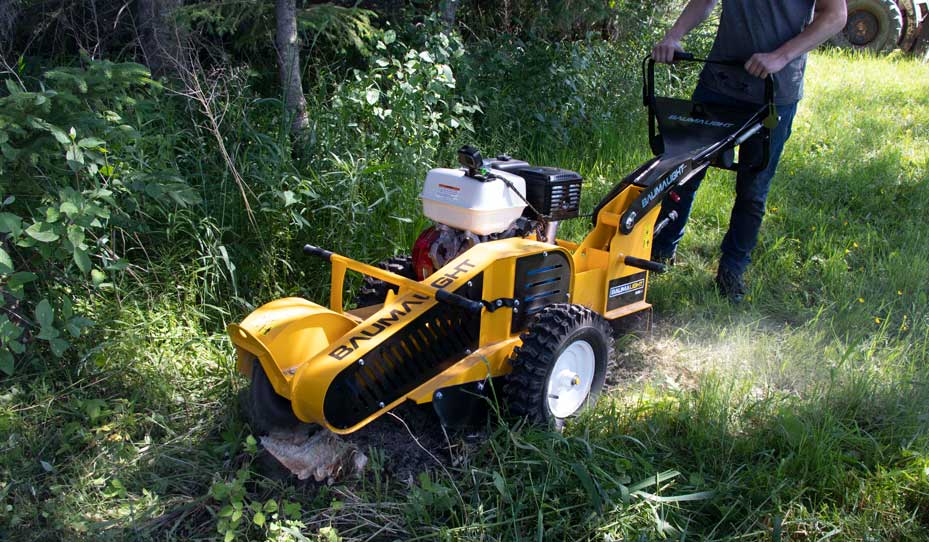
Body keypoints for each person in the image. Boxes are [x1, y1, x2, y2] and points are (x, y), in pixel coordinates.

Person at [650, 0, 847, 302]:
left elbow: (835, 16)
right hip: (719, 80)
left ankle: (731, 272)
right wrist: (674, 35)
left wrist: (781, 56)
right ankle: (659, 253)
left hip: (773, 91)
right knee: (684, 172)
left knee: (753, 189)